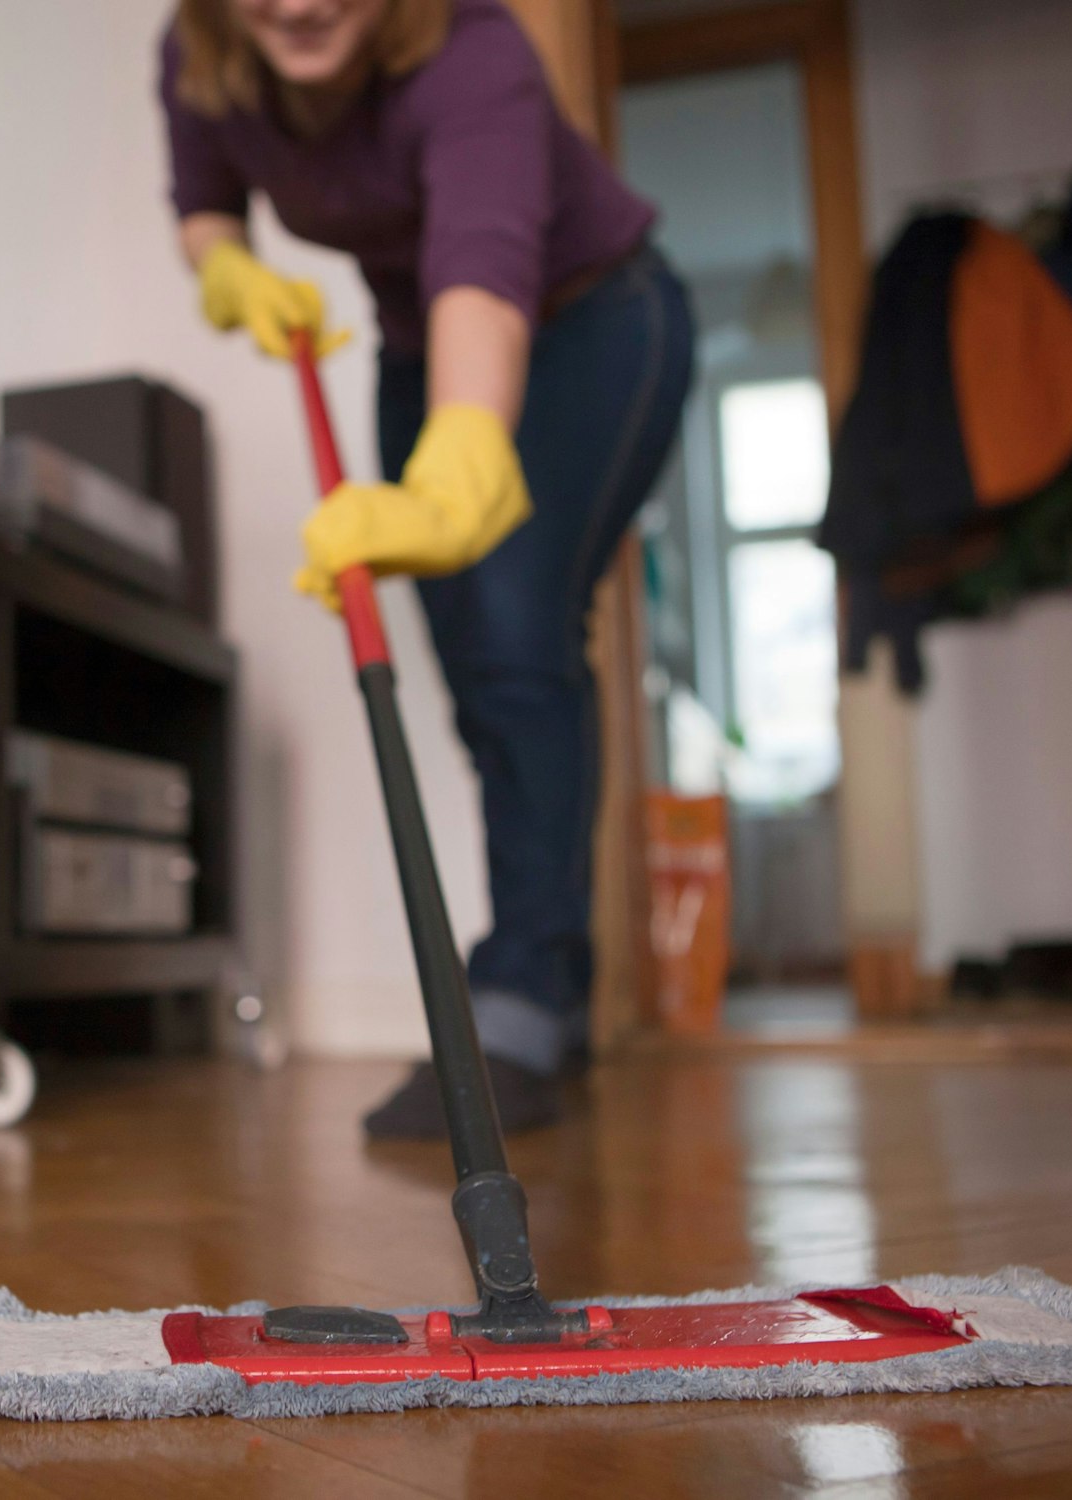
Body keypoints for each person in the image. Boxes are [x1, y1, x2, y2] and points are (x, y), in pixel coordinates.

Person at [162, 0, 694, 1135]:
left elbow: (481, 272)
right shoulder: (201, 54)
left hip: (589, 324)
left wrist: (461, 453)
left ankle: (515, 1009)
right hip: (416, 348)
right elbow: (202, 204)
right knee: (475, 665)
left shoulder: (473, 54)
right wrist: (230, 274)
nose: (296, 5)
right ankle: (550, 992)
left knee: (512, 631)